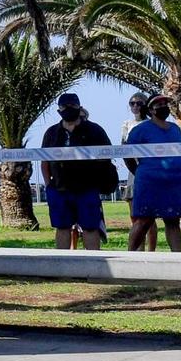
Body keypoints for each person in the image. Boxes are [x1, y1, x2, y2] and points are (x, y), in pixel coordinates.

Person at [40, 93, 115, 251]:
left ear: (79, 107)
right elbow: (44, 161)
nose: (68, 109)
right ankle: (63, 267)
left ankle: (94, 266)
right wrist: (49, 186)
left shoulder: (94, 130)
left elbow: (107, 157)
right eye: (64, 106)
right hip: (60, 189)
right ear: (59, 110)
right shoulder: (52, 132)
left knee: (90, 228)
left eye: (72, 106)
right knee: (62, 228)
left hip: (87, 190)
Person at [127, 95, 181, 252]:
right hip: (150, 182)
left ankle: (177, 258)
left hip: (175, 182)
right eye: (158, 104)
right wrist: (139, 171)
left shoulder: (175, 129)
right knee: (143, 221)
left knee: (173, 221)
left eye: (165, 103)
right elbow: (127, 153)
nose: (163, 106)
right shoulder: (140, 130)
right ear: (150, 109)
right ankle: (130, 256)